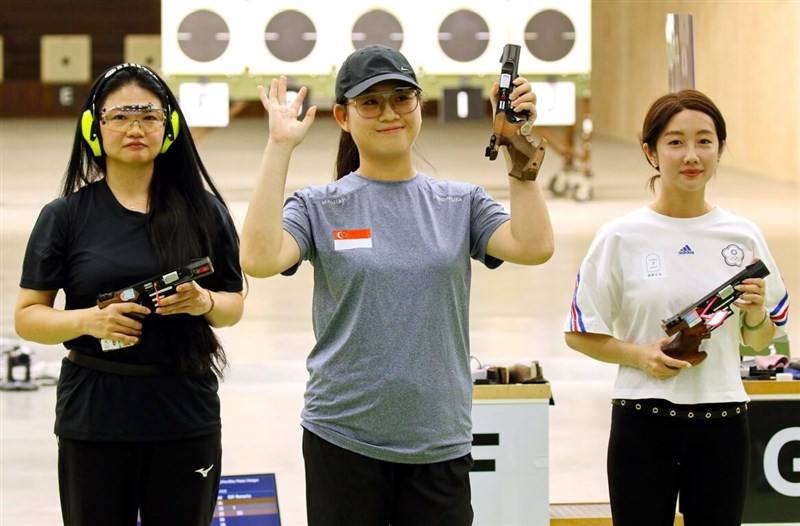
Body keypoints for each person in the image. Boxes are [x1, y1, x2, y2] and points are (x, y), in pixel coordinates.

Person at [240, 45, 554, 525]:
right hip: (341, 436)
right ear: (343, 117)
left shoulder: (459, 202)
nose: (389, 112)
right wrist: (279, 147)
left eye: (401, 98)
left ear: (419, 106)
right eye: (371, 103)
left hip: (437, 442)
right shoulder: (320, 206)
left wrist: (517, 145)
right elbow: (259, 259)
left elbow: (534, 245)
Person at [14, 63, 244, 525]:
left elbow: (232, 306)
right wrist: (87, 321)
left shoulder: (205, 211)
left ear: (170, 127)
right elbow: (28, 316)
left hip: (185, 408)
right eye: (119, 116)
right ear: (94, 129)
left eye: (149, 116)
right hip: (96, 412)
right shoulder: (64, 216)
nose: (134, 128)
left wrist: (205, 303)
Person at [564, 89, 790, 525]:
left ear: (720, 149)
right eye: (675, 142)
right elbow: (578, 332)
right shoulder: (619, 237)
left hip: (723, 420)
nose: (692, 155)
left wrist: (758, 315)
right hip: (642, 420)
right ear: (651, 152)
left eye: (705, 141)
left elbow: (762, 341)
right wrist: (641, 355)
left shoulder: (743, 236)